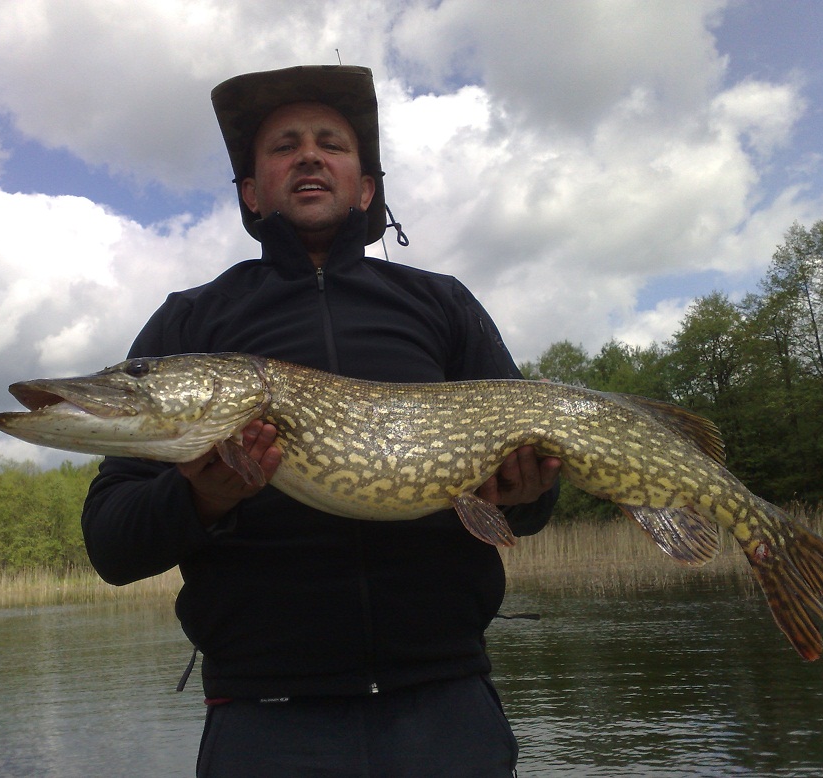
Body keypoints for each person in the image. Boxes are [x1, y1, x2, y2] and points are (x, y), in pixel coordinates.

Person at [81, 65, 562, 777]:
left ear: (365, 189)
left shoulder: (441, 304)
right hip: (265, 719)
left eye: (330, 143)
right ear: (252, 192)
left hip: (445, 707)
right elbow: (111, 547)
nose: (308, 156)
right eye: (284, 147)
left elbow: (533, 507)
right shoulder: (192, 321)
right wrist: (199, 497)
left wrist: (525, 493)